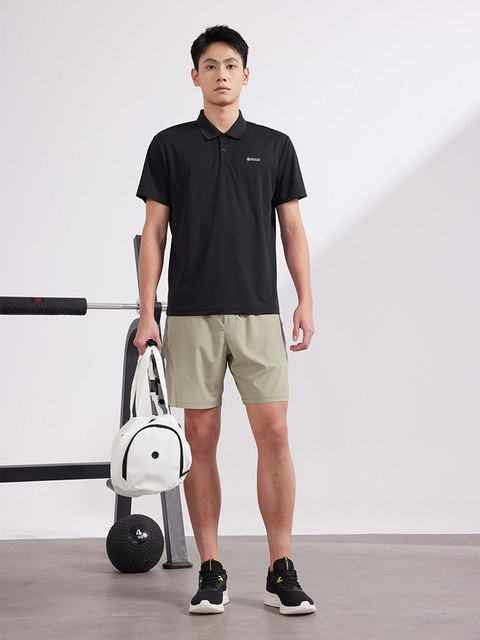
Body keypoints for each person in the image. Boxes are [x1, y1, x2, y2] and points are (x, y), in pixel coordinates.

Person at [134, 25, 315, 616]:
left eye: (230, 65)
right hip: (191, 315)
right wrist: (147, 313)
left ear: (245, 75)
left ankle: (281, 568)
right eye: (210, 66)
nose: (220, 74)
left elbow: (292, 227)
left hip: (259, 313)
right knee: (201, 438)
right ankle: (210, 568)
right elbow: (153, 233)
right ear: (195, 76)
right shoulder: (169, 146)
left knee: (275, 435)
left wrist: (305, 299)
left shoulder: (275, 145)